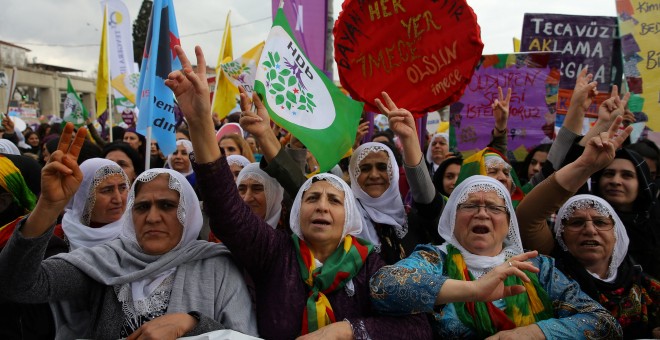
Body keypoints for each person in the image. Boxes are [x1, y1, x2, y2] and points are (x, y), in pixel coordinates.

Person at [165, 45, 432, 339]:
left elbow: (417, 328)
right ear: (296, 211)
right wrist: (200, 122)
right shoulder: (275, 253)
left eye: (334, 200)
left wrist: (346, 330)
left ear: (349, 216)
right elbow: (227, 208)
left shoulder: (370, 267)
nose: (322, 206)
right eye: (312, 197)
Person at [0, 124, 258, 339]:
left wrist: (191, 325)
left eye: (168, 206)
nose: (152, 217)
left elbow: (243, 334)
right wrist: (47, 206)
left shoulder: (217, 267)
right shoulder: (108, 260)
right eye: (142, 207)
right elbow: (19, 285)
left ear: (189, 214)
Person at [370, 176, 622, 338]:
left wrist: (528, 335)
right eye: (469, 205)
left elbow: (603, 324)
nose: (482, 214)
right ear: (452, 219)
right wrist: (473, 290)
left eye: (493, 207)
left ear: (508, 222)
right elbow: (383, 287)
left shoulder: (536, 267)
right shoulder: (435, 258)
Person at [554, 195, 660, 339]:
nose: (590, 230)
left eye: (600, 222)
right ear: (561, 234)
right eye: (577, 222)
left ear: (616, 234)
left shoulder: (648, 287)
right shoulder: (550, 283)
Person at [236, 163, 284, 229]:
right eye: (241, 189)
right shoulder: (228, 231)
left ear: (275, 194)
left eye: (257, 189)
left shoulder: (293, 232)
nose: (247, 199)